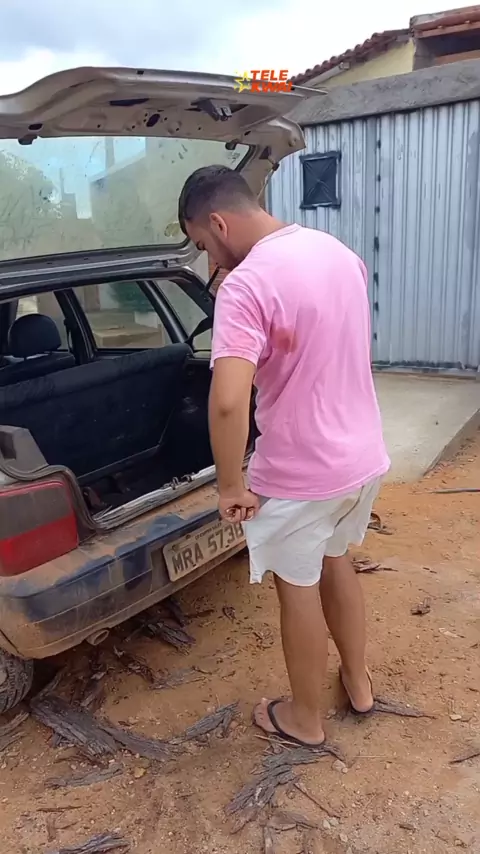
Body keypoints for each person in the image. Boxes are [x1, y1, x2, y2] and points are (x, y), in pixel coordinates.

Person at [178, 165, 390, 747]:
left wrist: (229, 485)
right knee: (336, 560)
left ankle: (304, 718)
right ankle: (359, 683)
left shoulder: (247, 286)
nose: (209, 258)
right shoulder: (337, 252)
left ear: (218, 222)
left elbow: (228, 401)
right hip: (362, 457)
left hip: (301, 472)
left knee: (297, 587)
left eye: (202, 244)